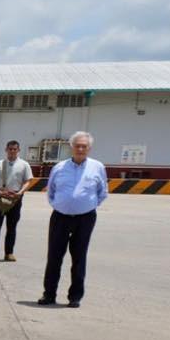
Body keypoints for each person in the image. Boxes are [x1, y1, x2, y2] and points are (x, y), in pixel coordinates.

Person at [39, 131, 107, 308]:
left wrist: (87, 205)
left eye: (84, 146)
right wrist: (60, 204)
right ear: (71, 147)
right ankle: (49, 294)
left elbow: (102, 192)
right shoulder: (59, 167)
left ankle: (75, 297)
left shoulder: (97, 167)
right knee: (54, 256)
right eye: (77, 145)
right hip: (60, 217)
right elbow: (51, 190)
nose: (81, 149)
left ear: (89, 148)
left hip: (85, 219)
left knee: (79, 257)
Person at [0, 140, 33, 261]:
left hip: (15, 199)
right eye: (10, 149)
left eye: (15, 149)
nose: (12, 151)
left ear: (18, 150)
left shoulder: (24, 165)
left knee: (11, 227)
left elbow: (28, 181)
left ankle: (9, 253)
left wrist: (19, 193)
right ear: (6, 150)